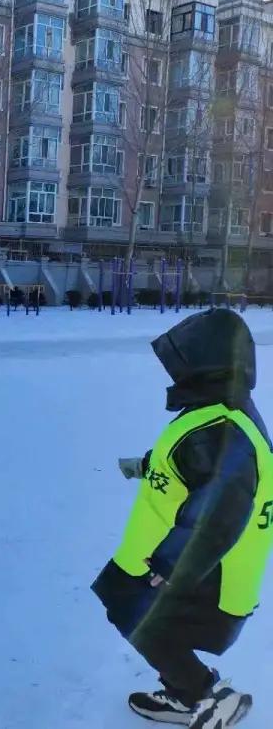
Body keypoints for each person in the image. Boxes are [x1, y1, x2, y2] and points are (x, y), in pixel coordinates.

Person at [91, 308, 273, 728]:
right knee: (132, 614)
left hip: (201, 568)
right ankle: (184, 691)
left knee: (146, 623)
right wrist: (149, 465)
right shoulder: (218, 414)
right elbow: (201, 469)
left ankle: (209, 696)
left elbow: (220, 509)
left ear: (208, 364)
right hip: (163, 556)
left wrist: (173, 565)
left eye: (183, 364)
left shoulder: (221, 428)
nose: (175, 375)